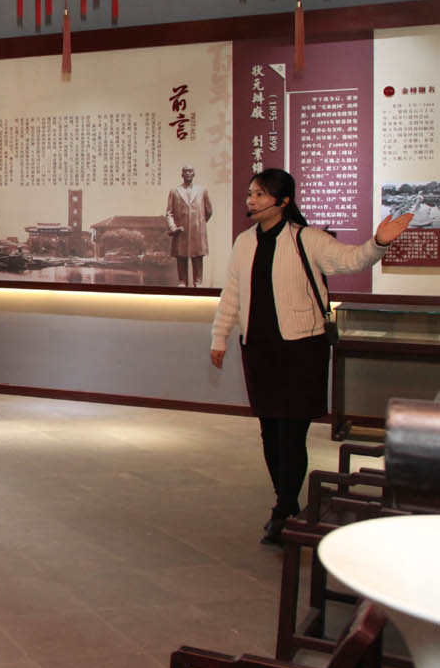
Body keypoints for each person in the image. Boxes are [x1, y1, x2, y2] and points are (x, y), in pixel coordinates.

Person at [210, 168, 412, 544]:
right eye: (250, 193)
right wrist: (219, 336)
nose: (251, 200)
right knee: (270, 432)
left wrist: (378, 243)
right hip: (259, 349)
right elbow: (232, 293)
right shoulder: (244, 242)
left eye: (260, 194)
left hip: (301, 349)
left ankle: (283, 508)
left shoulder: (307, 238)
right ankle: (285, 502)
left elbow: (352, 260)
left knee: (291, 433)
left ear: (283, 200)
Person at [166, 166, 213, 287]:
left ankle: (198, 283)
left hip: (197, 232)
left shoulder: (202, 191)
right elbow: (169, 213)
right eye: (185, 171)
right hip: (180, 232)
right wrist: (173, 228)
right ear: (182, 174)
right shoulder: (174, 191)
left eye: (190, 171)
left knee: (197, 258)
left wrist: (199, 223)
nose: (188, 173)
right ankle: (182, 282)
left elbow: (208, 211)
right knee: (181, 259)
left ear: (194, 174)